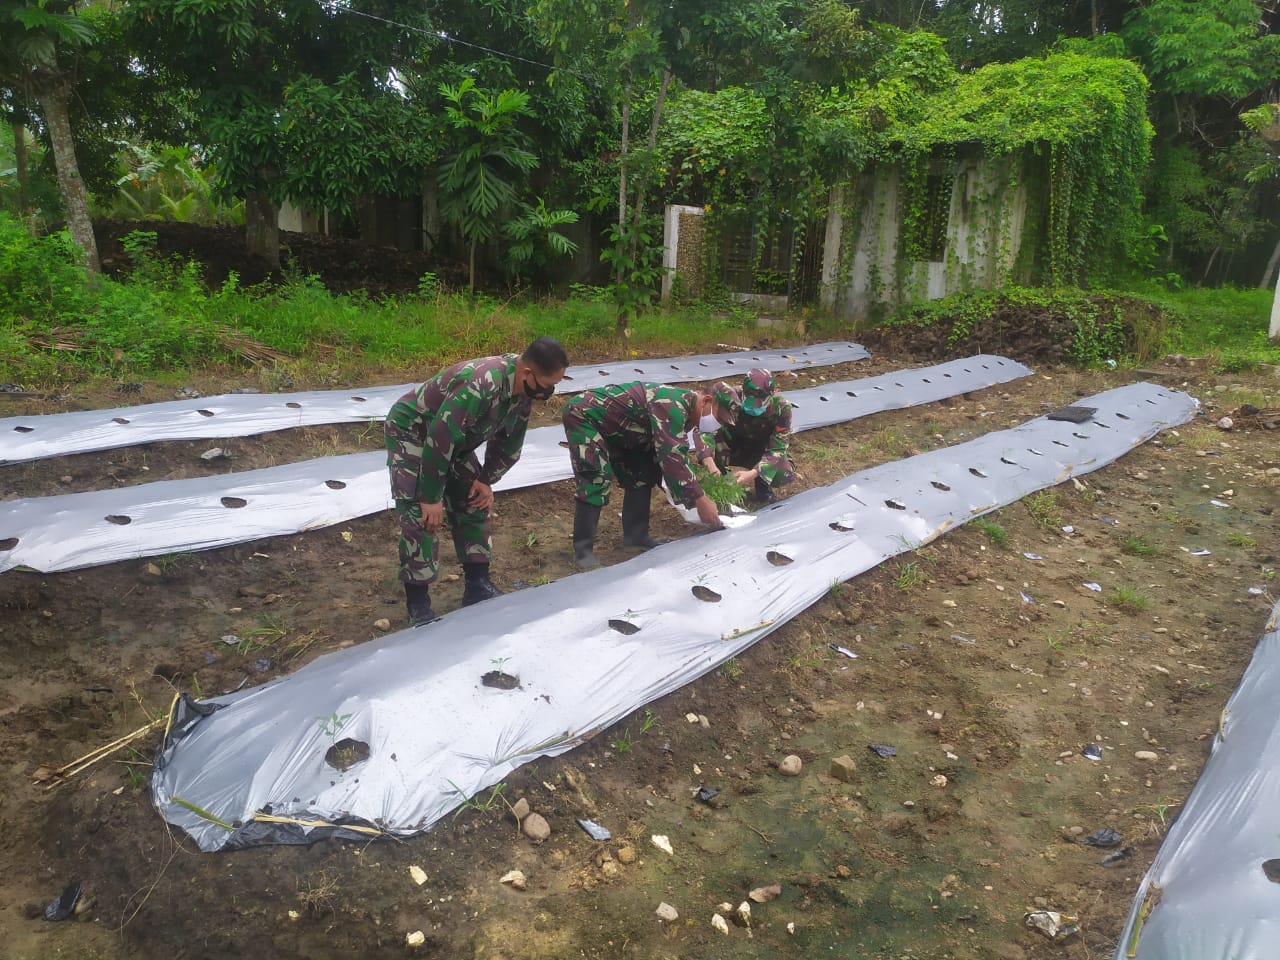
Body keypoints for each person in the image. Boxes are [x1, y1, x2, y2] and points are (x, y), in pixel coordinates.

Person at [385, 337, 569, 625]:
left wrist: (486, 479)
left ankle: (477, 586)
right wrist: (431, 496)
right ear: (527, 374)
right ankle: (418, 605)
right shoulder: (481, 383)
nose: (549, 392)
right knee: (420, 515)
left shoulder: (523, 392)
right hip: (414, 432)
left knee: (474, 498)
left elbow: (510, 441)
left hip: (452, 441)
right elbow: (439, 438)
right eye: (547, 385)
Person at [563, 380, 740, 570]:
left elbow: (670, 456)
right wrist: (700, 499)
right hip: (585, 417)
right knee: (595, 478)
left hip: (624, 430)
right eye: (718, 418)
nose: (717, 424)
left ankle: (636, 537)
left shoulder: (688, 413)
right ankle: (583, 553)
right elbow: (673, 459)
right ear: (706, 401)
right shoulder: (672, 405)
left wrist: (692, 497)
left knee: (642, 473)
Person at [697, 367, 794, 505]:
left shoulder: (782, 408)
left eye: (760, 403)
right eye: (749, 400)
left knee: (784, 473)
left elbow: (777, 449)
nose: (753, 407)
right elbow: (706, 430)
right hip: (732, 447)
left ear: (771, 395)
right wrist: (709, 463)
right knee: (713, 442)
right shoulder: (730, 398)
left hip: (760, 452)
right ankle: (724, 485)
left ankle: (763, 487)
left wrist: (755, 472)